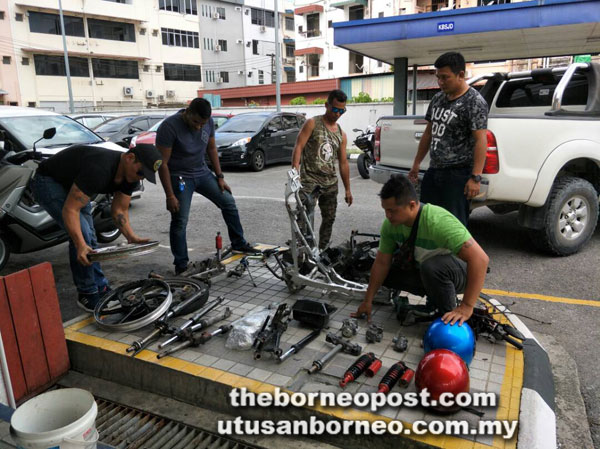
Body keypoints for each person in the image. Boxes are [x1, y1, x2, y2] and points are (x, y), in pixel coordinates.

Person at [31, 143, 161, 312]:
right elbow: (71, 209)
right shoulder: (100, 168)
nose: (141, 178)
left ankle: (101, 287)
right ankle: (87, 293)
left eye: (146, 176)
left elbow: (119, 210)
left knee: (90, 237)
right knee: (83, 237)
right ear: (130, 158)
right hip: (48, 181)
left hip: (76, 184)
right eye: (141, 172)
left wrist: (131, 237)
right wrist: (79, 245)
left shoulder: (130, 176)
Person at [352, 175, 489, 325]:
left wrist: (467, 306)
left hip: (459, 273)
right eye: (385, 210)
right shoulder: (390, 225)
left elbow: (480, 259)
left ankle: (448, 314)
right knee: (385, 271)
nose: (388, 216)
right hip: (428, 270)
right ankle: (434, 299)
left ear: (412, 205)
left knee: (432, 267)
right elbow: (381, 263)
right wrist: (368, 301)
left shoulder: (437, 220)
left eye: (392, 211)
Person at [155, 98, 255, 275]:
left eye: (202, 124)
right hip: (179, 177)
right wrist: (169, 195)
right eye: (195, 122)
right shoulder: (169, 127)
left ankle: (239, 243)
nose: (198, 127)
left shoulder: (207, 122)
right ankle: (181, 265)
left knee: (228, 202)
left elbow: (211, 149)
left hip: (202, 172)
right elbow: (162, 164)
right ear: (188, 111)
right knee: (180, 220)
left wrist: (220, 177)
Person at [408, 51, 488, 226]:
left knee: (453, 225)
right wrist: (416, 163)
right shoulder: (438, 99)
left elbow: (481, 141)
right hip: (434, 170)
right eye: (438, 77)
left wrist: (475, 178)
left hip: (458, 175)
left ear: (461, 75)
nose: (440, 82)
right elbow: (429, 133)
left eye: (445, 77)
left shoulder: (474, 102)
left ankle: (453, 255)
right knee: (427, 220)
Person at [291, 89, 353, 250]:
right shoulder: (312, 123)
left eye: (342, 111)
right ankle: (306, 253)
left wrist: (348, 189)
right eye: (335, 109)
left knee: (329, 219)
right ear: (327, 106)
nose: (338, 114)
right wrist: (294, 173)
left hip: (330, 182)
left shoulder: (341, 134)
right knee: (304, 218)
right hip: (309, 180)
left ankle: (323, 251)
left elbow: (344, 163)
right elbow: (298, 147)